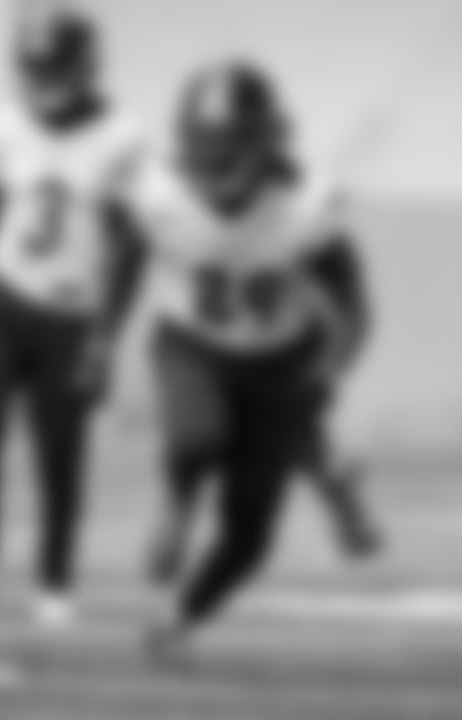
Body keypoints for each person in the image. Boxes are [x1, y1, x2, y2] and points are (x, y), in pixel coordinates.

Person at [120, 58, 375, 658]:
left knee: (250, 535)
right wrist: (101, 337)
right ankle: (178, 504)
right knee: (196, 436)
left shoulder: (306, 204)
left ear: (264, 142)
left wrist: (333, 367)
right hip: (191, 343)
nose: (212, 162)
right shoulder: (157, 191)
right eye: (202, 146)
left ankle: (180, 618)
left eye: (228, 147)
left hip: (276, 363)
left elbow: (356, 307)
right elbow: (123, 259)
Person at [0, 2, 145, 631]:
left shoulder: (123, 137)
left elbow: (131, 246)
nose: (41, 81)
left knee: (60, 454)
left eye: (53, 67)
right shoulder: (3, 124)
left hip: (71, 315)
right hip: (1, 300)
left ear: (85, 66)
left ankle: (55, 582)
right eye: (32, 68)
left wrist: (108, 333)